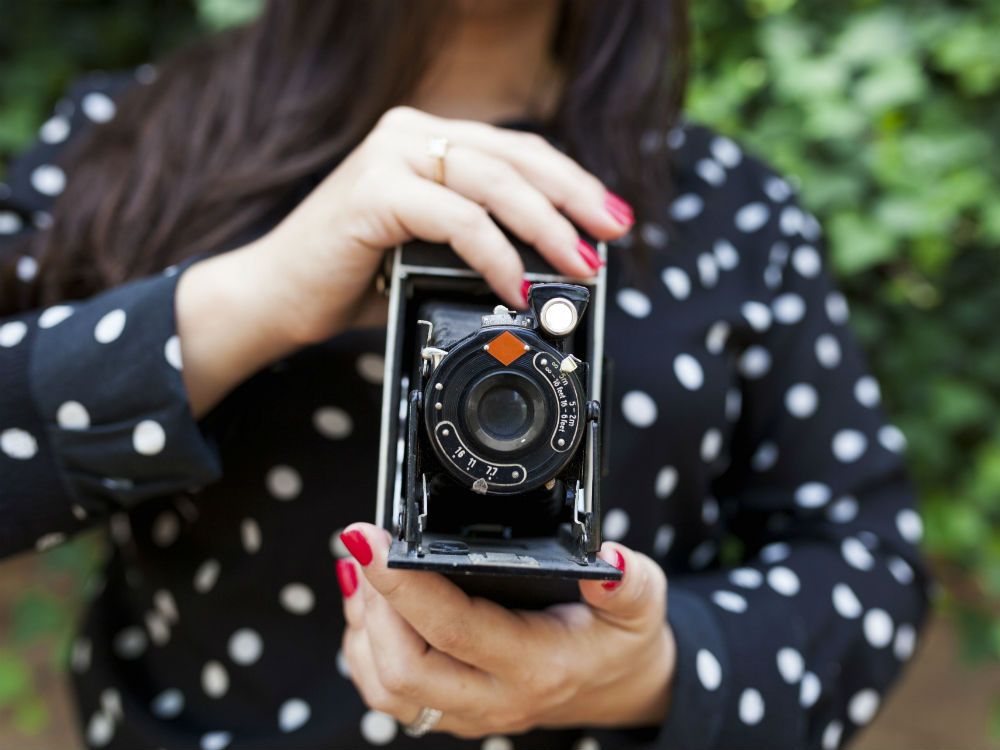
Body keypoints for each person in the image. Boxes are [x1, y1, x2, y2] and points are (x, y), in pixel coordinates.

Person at [0, 1, 928, 748]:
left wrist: (643, 674)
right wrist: (258, 292)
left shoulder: (733, 212)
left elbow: (869, 560)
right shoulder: (133, 138)